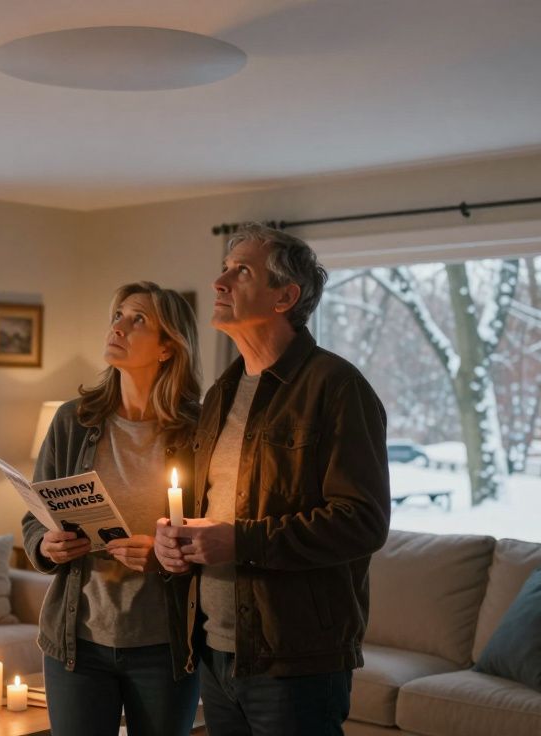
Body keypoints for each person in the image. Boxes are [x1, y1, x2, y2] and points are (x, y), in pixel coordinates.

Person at [154, 223, 391, 735]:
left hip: (296, 661)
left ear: (286, 296)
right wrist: (173, 540)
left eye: (241, 271)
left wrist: (240, 541)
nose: (219, 282)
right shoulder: (222, 392)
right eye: (225, 268)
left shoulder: (337, 387)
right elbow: (210, 507)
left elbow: (362, 521)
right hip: (216, 651)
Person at [21, 281, 203, 736]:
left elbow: (213, 534)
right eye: (118, 315)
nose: (118, 326)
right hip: (77, 642)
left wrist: (164, 558)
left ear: (167, 347)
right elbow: (33, 518)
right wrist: (47, 545)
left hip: (166, 644)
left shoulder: (199, 431)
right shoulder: (72, 420)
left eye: (137, 319)